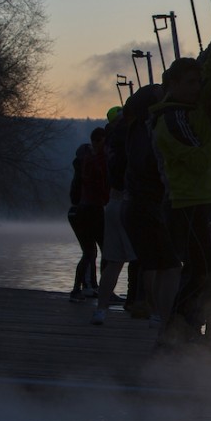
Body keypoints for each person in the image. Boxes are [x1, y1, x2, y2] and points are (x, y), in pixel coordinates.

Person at [150, 51, 211, 348]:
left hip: (207, 202)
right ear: (173, 83)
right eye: (190, 83)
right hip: (186, 207)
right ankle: (174, 336)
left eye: (198, 82)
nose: (197, 88)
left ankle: (210, 338)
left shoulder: (192, 109)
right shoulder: (171, 121)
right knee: (198, 275)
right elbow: (200, 161)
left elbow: (210, 72)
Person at [121, 83, 182, 340]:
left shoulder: (133, 131)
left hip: (134, 206)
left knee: (155, 264)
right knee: (170, 267)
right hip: (148, 207)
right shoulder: (150, 133)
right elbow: (158, 170)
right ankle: (166, 323)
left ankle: (157, 316)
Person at [90, 107, 135, 325]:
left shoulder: (108, 145)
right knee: (151, 262)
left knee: (114, 262)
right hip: (130, 203)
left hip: (112, 203)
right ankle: (154, 312)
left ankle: (100, 310)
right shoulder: (130, 139)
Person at [68, 128, 109, 302]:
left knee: (91, 251)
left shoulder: (82, 163)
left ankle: (86, 287)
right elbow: (103, 185)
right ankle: (96, 289)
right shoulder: (96, 161)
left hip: (81, 210)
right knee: (99, 251)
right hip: (92, 209)